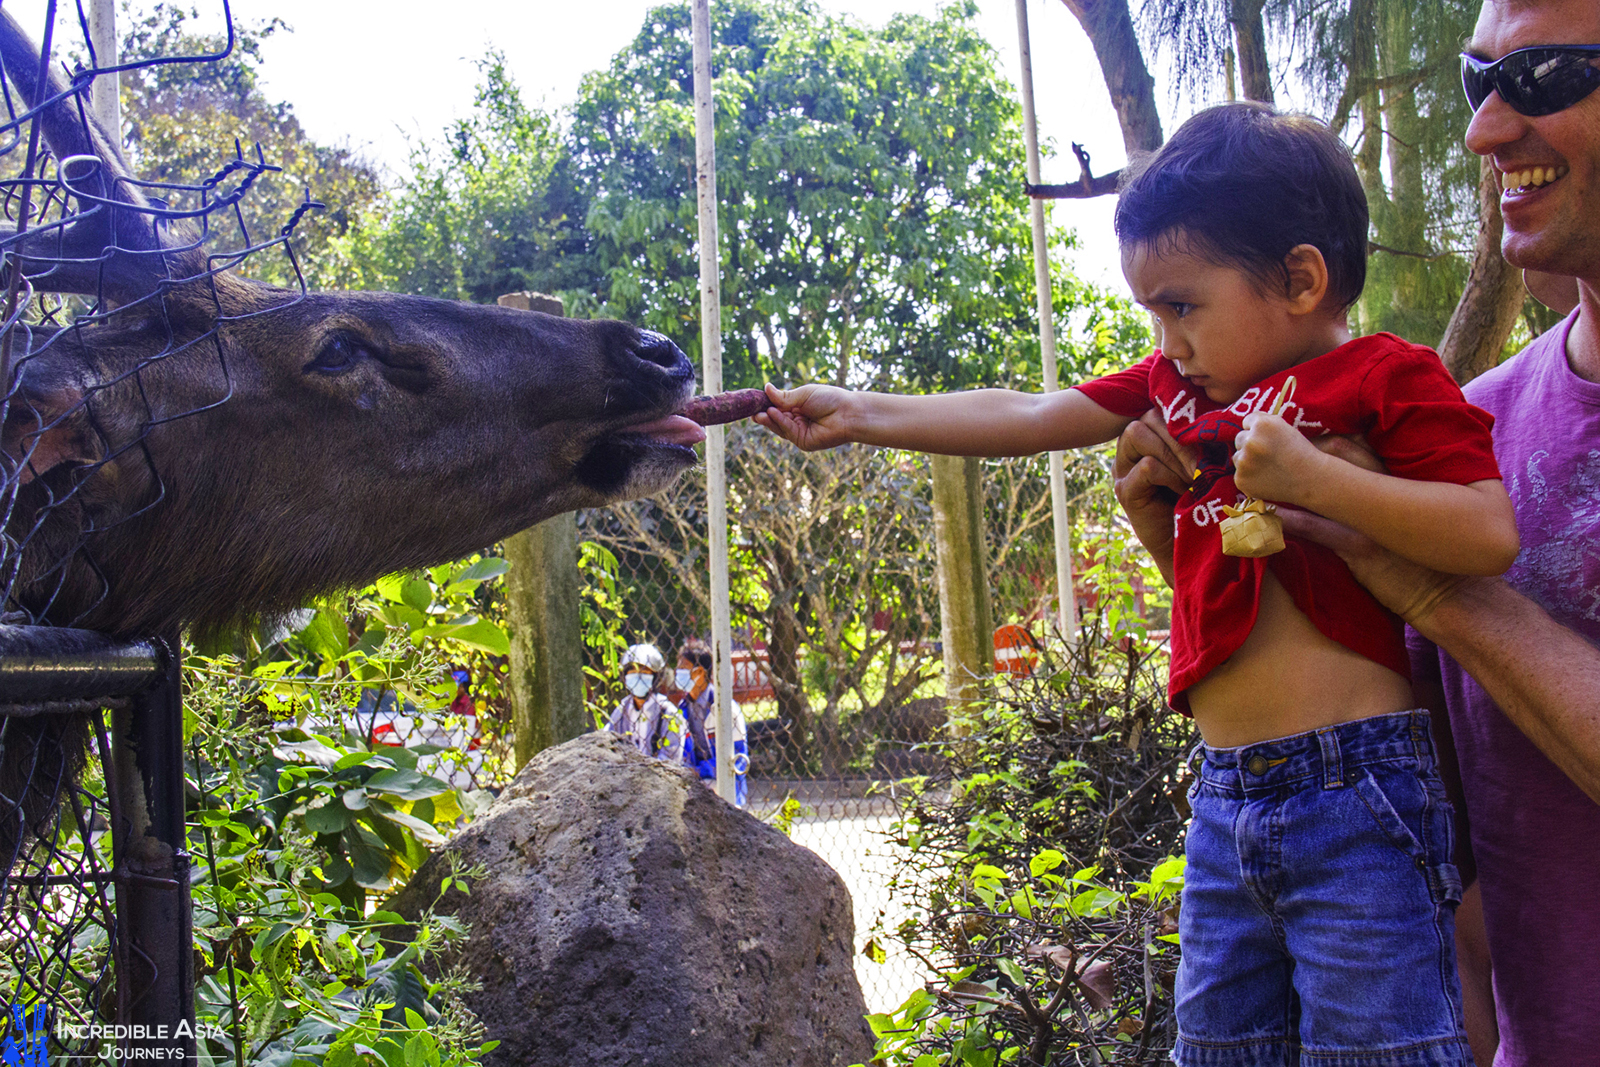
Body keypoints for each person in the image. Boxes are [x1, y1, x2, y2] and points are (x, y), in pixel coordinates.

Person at [759, 102, 1521, 1065]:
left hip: (1357, 787)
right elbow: (1032, 412)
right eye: (1151, 313)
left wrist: (1320, 480)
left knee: (1383, 1047)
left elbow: (1486, 530)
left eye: (1182, 304)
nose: (1164, 340)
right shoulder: (1178, 392)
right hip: (1224, 795)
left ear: (1299, 279)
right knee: (1217, 1044)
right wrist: (861, 412)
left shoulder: (1386, 375)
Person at [1110, 6, 1600, 1061]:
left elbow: (1438, 592)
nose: (1483, 129)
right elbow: (1428, 795)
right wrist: (1193, 536)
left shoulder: (1403, 451)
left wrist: (1424, 583)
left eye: (1552, 73)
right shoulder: (1481, 418)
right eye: (1479, 82)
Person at [673, 642, 749, 807]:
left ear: (700, 672)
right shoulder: (682, 709)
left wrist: (701, 771)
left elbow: (739, 756)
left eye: (683, 668)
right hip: (694, 789)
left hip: (727, 788)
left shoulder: (726, 708)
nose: (677, 673)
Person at [603, 643, 688, 763]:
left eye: (644, 671)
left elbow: (672, 758)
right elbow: (606, 741)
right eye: (632, 670)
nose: (637, 675)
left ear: (655, 676)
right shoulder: (623, 710)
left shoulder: (668, 712)